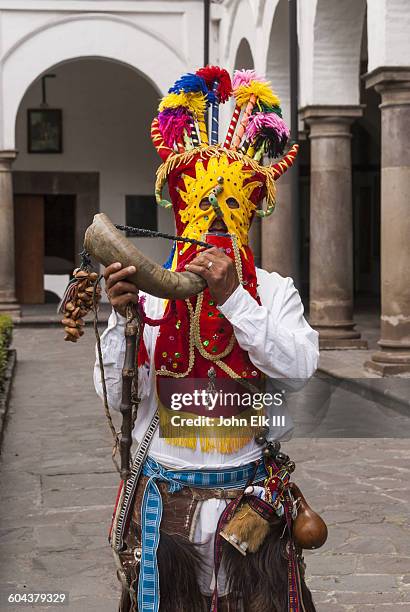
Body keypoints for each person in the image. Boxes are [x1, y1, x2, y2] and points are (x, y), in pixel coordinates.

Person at [94, 67, 319, 612]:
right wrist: (122, 323)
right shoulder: (148, 293)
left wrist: (234, 299)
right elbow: (111, 393)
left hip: (248, 497)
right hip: (163, 498)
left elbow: (300, 366)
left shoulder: (272, 289)